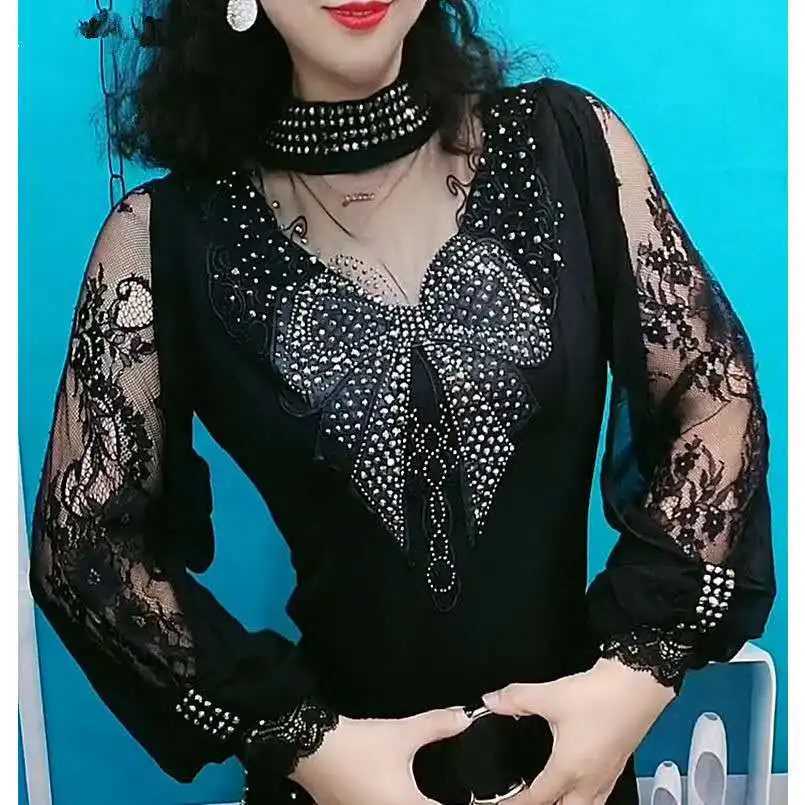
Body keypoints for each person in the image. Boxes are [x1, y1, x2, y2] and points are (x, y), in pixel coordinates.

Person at [28, 1, 776, 803]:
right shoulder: (166, 239)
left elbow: (713, 394)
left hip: (573, 776)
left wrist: (636, 673)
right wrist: (306, 743)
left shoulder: (564, 142)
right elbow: (81, 547)